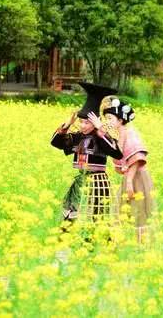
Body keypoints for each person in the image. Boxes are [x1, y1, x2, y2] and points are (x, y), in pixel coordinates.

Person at [51, 82, 122, 224]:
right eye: (81, 122)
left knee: (96, 218)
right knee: (70, 216)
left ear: (95, 122)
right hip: (80, 181)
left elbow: (117, 153)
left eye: (87, 123)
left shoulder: (101, 137)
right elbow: (56, 143)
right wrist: (67, 125)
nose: (83, 126)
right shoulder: (78, 137)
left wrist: (101, 129)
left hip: (98, 182)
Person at [102, 97, 154, 241]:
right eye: (106, 118)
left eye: (110, 118)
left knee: (139, 211)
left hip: (137, 177)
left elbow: (137, 157)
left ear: (120, 120)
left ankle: (143, 244)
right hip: (130, 177)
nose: (107, 121)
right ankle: (119, 242)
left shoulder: (130, 132)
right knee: (122, 209)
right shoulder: (120, 134)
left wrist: (130, 181)